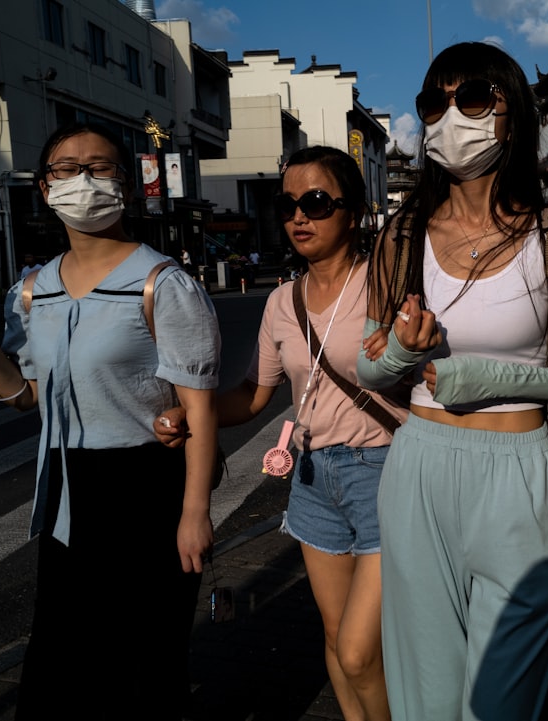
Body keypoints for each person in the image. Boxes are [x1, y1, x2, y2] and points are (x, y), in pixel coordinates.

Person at [356, 42, 548, 721]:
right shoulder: (401, 234)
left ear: (511, 114)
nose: (449, 117)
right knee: (429, 700)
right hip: (421, 469)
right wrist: (401, 353)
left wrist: (481, 375)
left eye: (471, 99)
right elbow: (369, 366)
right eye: (433, 103)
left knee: (499, 703)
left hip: (519, 475)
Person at [0, 122, 221, 719]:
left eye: (100, 167)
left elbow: (199, 408)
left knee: (149, 658)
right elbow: (26, 396)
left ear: (129, 184)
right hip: (66, 484)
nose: (83, 180)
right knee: (63, 658)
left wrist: (194, 514)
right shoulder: (32, 291)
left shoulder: (162, 283)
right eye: (67, 168)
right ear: (44, 187)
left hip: (146, 487)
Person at [155, 145, 403, 721]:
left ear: (355, 210)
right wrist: (193, 412)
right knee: (337, 639)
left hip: (387, 470)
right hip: (313, 477)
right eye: (287, 203)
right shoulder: (280, 302)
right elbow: (254, 395)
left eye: (316, 202)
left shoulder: (387, 284)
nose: (299, 217)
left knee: (363, 651)